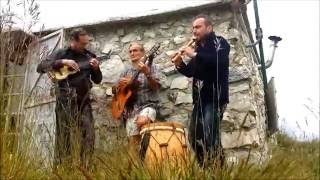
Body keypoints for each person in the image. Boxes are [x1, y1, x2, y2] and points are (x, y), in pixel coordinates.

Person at [37, 28, 102, 168]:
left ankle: (86, 169)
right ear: (73, 41)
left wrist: (96, 69)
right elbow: (41, 67)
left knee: (88, 136)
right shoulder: (61, 53)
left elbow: (97, 80)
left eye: (86, 44)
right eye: (82, 44)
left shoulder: (90, 56)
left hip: (84, 101)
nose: (85, 47)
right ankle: (63, 170)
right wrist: (62, 62)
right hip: (65, 100)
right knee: (64, 137)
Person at [172, 15, 230, 166]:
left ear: (209, 28)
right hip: (199, 100)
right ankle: (205, 169)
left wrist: (194, 54)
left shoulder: (220, 42)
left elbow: (219, 62)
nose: (194, 31)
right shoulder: (198, 48)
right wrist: (179, 64)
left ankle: (219, 171)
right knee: (194, 138)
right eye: (193, 28)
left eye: (198, 27)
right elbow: (191, 71)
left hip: (215, 98)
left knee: (210, 137)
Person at [113, 42, 161, 152]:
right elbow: (115, 92)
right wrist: (119, 86)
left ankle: (149, 147)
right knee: (132, 145)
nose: (132, 53)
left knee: (141, 121)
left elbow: (157, 87)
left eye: (135, 50)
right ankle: (137, 166)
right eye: (130, 51)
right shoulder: (126, 71)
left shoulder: (152, 67)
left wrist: (147, 74)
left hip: (148, 105)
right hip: (131, 110)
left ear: (143, 53)